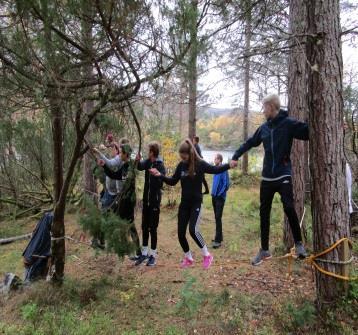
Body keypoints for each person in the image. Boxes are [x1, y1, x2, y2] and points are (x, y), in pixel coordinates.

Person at [230, 94, 308, 266]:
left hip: (283, 173)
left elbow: (308, 131)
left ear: (272, 107)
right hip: (267, 177)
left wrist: (332, 125)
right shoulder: (264, 128)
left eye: (264, 107)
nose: (263, 110)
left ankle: (299, 244)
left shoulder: (288, 124)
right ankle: (264, 250)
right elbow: (250, 142)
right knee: (263, 212)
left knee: (288, 206)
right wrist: (235, 155)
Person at [149, 139, 231, 269]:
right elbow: (173, 181)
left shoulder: (200, 164)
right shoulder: (181, 165)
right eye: (181, 157)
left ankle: (207, 255)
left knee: (193, 230)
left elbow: (215, 169)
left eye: (184, 156)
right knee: (181, 233)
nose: (183, 159)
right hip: (184, 204)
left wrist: (229, 165)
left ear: (190, 153)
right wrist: (160, 175)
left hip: (196, 204)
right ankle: (188, 257)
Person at [98, 143, 142, 259]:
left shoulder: (131, 166)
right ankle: (132, 251)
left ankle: (136, 251)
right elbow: (114, 175)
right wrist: (104, 166)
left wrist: (137, 159)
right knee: (123, 223)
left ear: (125, 154)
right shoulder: (124, 166)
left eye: (121, 152)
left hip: (128, 201)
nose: (119, 154)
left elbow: (138, 162)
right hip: (122, 200)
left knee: (128, 224)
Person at [134, 142, 166, 266]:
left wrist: (157, 175)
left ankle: (153, 255)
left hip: (154, 203)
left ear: (153, 151)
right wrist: (137, 160)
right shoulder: (148, 161)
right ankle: (144, 253)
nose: (148, 152)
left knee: (153, 229)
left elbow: (162, 182)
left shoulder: (160, 164)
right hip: (146, 202)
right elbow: (140, 167)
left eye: (149, 150)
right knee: (144, 227)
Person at [211, 153, 230, 249]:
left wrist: (220, 194)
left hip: (220, 197)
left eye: (215, 158)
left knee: (218, 217)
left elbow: (226, 184)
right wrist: (213, 193)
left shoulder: (223, 169)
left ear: (219, 160)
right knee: (216, 217)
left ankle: (218, 241)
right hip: (214, 196)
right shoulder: (215, 169)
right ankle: (219, 237)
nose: (214, 160)